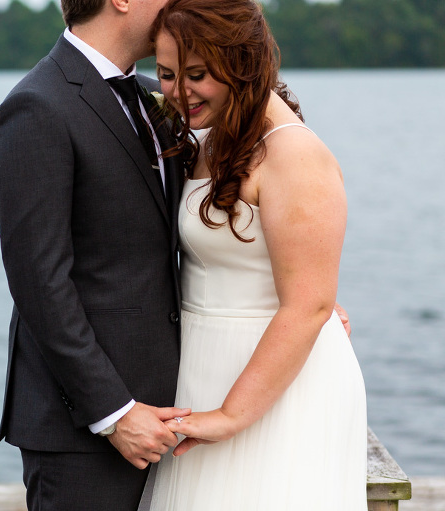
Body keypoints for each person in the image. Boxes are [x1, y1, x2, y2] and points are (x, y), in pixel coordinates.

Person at [139, 0, 368, 509]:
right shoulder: (213, 135)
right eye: (167, 74)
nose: (177, 92)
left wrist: (231, 416)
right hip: (205, 364)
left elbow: (307, 304)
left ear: (241, 62)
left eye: (196, 74)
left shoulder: (295, 154)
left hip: (270, 386)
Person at [0, 0, 192, 508]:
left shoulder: (156, 96)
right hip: (84, 432)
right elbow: (40, 284)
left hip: (175, 417)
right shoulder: (36, 108)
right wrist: (114, 414)